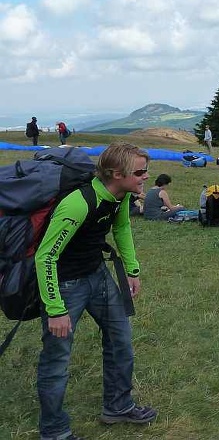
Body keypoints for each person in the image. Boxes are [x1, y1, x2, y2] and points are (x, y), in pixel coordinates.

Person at [34, 143, 157, 439]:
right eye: (139, 171)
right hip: (65, 285)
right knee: (57, 359)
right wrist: (55, 309)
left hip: (97, 274)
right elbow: (45, 256)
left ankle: (118, 406)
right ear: (116, 173)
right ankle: (54, 431)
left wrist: (132, 269)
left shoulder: (121, 195)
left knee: (121, 341)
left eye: (146, 170)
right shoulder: (78, 203)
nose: (145, 177)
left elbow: (122, 227)